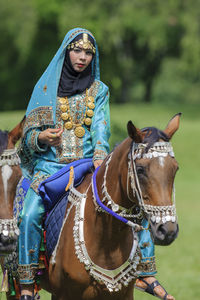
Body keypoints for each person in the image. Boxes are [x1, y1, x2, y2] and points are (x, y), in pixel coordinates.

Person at [17, 28, 174, 300]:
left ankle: (145, 272)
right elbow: (28, 137)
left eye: (89, 53)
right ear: (66, 52)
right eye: (77, 50)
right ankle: (28, 281)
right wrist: (42, 136)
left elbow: (101, 126)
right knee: (29, 214)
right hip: (50, 169)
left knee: (135, 203)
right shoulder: (44, 89)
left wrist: (101, 156)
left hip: (89, 165)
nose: (82, 57)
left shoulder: (99, 90)